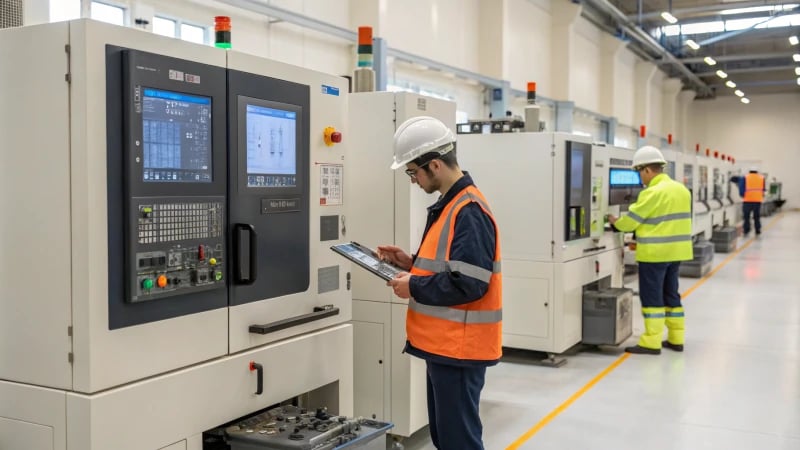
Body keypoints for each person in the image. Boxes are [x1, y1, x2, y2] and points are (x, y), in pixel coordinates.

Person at [376, 116, 502, 450]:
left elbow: (471, 284)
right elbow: (451, 265)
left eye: (413, 172)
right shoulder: (453, 205)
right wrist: (410, 263)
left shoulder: (468, 210)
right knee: (446, 439)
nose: (413, 180)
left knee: (458, 441)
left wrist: (413, 286)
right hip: (446, 347)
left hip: (460, 348)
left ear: (434, 165)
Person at [607, 146, 693, 355]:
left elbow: (630, 222)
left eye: (639, 172)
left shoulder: (652, 192)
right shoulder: (680, 189)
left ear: (646, 170)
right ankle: (676, 338)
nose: (640, 178)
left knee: (652, 297)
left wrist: (615, 221)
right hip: (677, 252)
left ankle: (651, 342)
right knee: (671, 295)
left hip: (655, 253)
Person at [733, 167, 766, 237]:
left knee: (746, 216)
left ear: (749, 171)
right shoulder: (761, 178)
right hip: (757, 200)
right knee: (756, 216)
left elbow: (741, 189)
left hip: (747, 200)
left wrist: (742, 195)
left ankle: (746, 230)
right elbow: (763, 189)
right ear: (756, 171)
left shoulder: (745, 177)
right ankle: (758, 230)